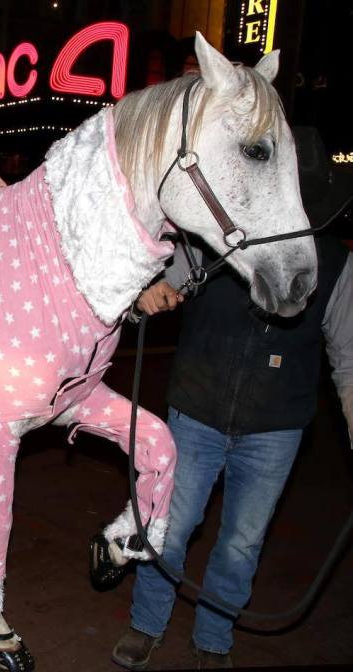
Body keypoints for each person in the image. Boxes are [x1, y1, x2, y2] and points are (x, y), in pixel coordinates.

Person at [111, 127, 353, 670]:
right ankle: (146, 625)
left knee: (241, 545)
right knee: (168, 530)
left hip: (276, 428)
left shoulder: (337, 264)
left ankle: (213, 639)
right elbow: (136, 282)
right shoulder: (212, 239)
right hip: (195, 411)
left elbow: (351, 356)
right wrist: (142, 293)